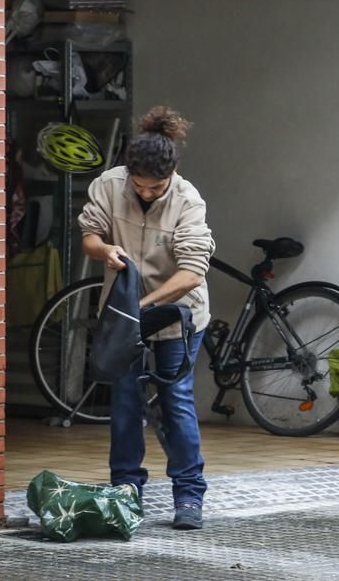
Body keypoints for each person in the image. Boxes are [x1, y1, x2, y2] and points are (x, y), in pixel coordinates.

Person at [77, 106, 215, 530]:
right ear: (128, 172)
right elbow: (90, 234)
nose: (148, 193)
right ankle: (126, 489)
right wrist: (105, 251)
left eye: (157, 187)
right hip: (124, 313)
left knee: (176, 403)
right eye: (140, 185)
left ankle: (189, 496)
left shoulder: (188, 200)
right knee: (124, 403)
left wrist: (142, 308)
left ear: (171, 174)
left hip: (176, 314)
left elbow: (192, 273)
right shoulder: (110, 184)